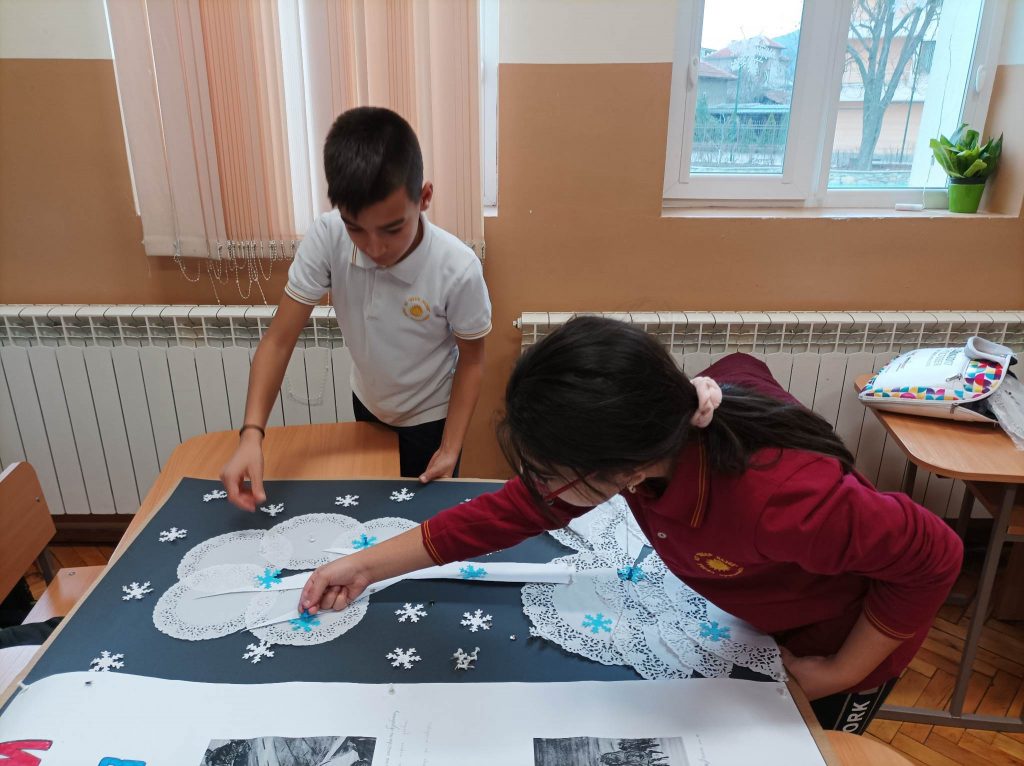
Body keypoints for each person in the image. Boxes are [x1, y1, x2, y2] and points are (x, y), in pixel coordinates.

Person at [298, 316, 963, 734]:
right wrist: (365, 565)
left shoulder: (779, 499)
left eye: (551, 474)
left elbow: (936, 555)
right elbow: (509, 512)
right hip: (765, 621)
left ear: (625, 468)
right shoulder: (665, 421)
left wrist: (840, 671)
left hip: (844, 645)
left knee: (820, 747)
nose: (542, 491)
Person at [221, 107, 491, 509]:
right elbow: (278, 341)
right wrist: (251, 434)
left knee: (421, 523)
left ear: (424, 197)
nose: (374, 247)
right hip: (367, 401)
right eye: (356, 228)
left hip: (431, 418)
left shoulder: (458, 268)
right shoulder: (327, 236)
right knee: (370, 515)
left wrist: (451, 448)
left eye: (392, 228)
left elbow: (472, 360)